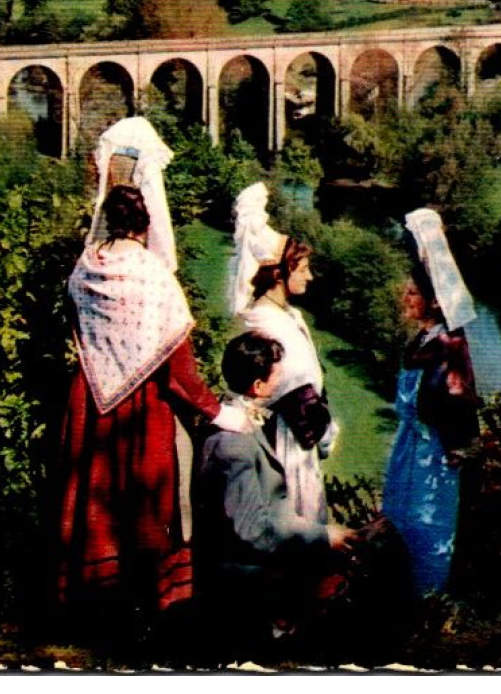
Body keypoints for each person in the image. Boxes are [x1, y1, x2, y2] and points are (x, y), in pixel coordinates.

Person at [54, 118, 249, 634]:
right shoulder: (153, 277)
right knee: (145, 502)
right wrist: (218, 412)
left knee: (96, 504)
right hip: (142, 410)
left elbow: (78, 332)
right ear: (146, 224)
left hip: (90, 402)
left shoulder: (83, 269)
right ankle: (149, 609)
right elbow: (178, 369)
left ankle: (93, 606)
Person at [194, 332, 355, 645]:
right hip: (240, 583)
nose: (281, 383)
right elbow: (251, 529)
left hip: (253, 562)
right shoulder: (233, 444)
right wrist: (322, 536)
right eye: (277, 376)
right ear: (258, 387)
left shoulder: (238, 420)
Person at [382, 208, 483, 598]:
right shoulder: (424, 341)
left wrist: (457, 447)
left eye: (412, 293)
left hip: (434, 455)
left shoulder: (447, 347)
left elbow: (455, 404)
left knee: (429, 523)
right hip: (411, 449)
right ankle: (401, 593)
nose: (404, 297)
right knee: (402, 518)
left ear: (434, 303)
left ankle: (428, 599)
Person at [229, 183, 335, 526]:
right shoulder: (266, 323)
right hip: (284, 441)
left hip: (299, 438)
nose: (310, 276)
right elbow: (296, 390)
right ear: (279, 274)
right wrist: (325, 433)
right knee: (290, 521)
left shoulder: (286, 315)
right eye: (302, 269)